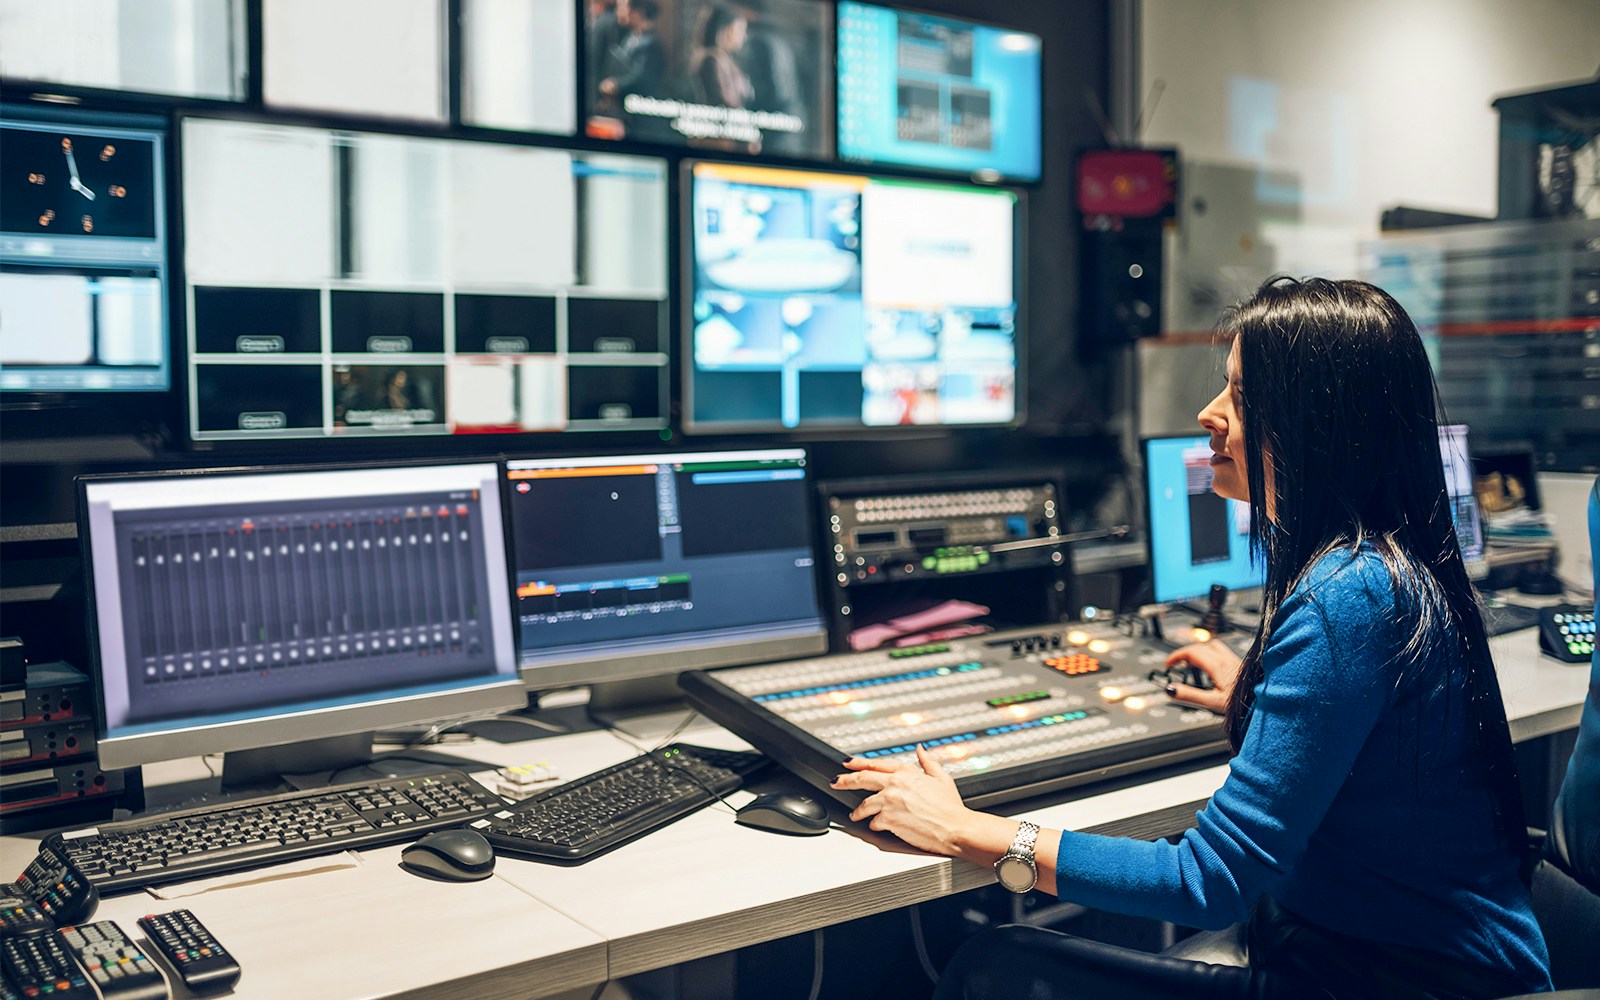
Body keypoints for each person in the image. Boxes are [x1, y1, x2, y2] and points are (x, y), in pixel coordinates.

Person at [835, 277, 1552, 999]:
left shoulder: (1351, 597)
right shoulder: (1380, 568)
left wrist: (963, 828)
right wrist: (1260, 697)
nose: (1208, 414)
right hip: (1370, 954)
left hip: (1405, 981)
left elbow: (1208, 881)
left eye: (1241, 396)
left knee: (995, 969)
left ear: (1318, 419)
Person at [689, 5, 753, 110]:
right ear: (725, 30)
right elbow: (720, 102)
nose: (743, 36)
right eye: (739, 29)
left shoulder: (723, 59)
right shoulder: (711, 61)